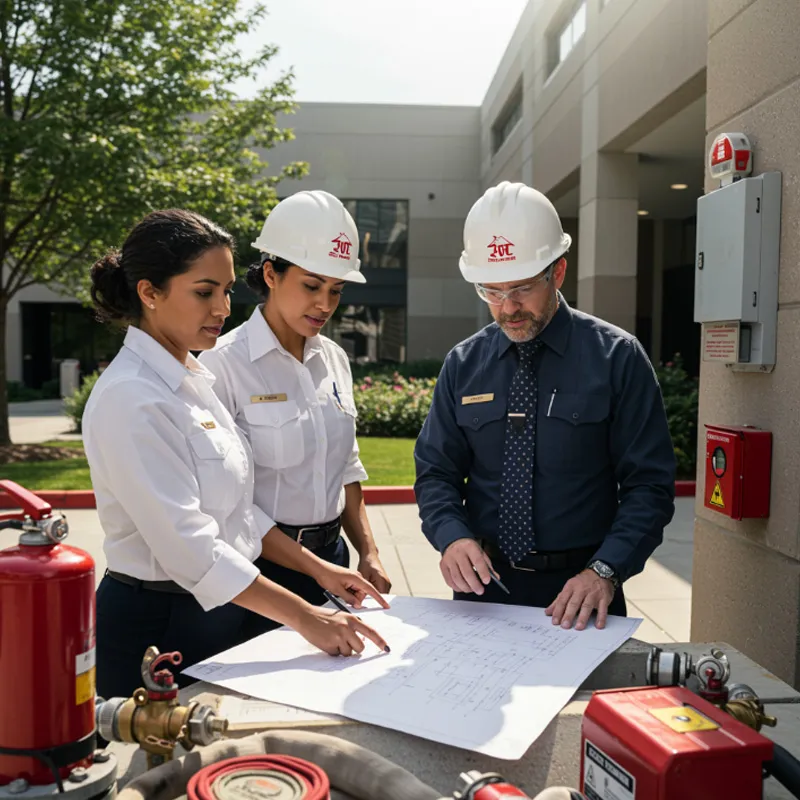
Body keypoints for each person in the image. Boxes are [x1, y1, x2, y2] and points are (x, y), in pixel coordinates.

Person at [83, 208, 390, 700]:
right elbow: (193, 548)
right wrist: (307, 615)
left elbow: (238, 509)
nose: (224, 308)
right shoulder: (132, 397)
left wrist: (322, 569)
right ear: (149, 293)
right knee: (159, 771)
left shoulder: (192, 382)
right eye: (204, 292)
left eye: (226, 290)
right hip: (157, 622)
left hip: (216, 611)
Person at [413, 181, 676, 631]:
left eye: (521, 289)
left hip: (584, 594)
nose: (507, 308)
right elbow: (435, 472)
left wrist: (606, 571)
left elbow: (649, 486)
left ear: (557, 273)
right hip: (483, 593)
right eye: (490, 291)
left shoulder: (616, 358)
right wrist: (451, 538)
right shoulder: (464, 363)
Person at [199, 191, 391, 618]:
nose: (325, 304)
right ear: (271, 273)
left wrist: (369, 552)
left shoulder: (335, 360)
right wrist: (316, 569)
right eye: (311, 285)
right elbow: (231, 504)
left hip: (335, 563)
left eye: (336, 290)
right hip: (261, 573)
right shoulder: (223, 365)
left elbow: (346, 468)